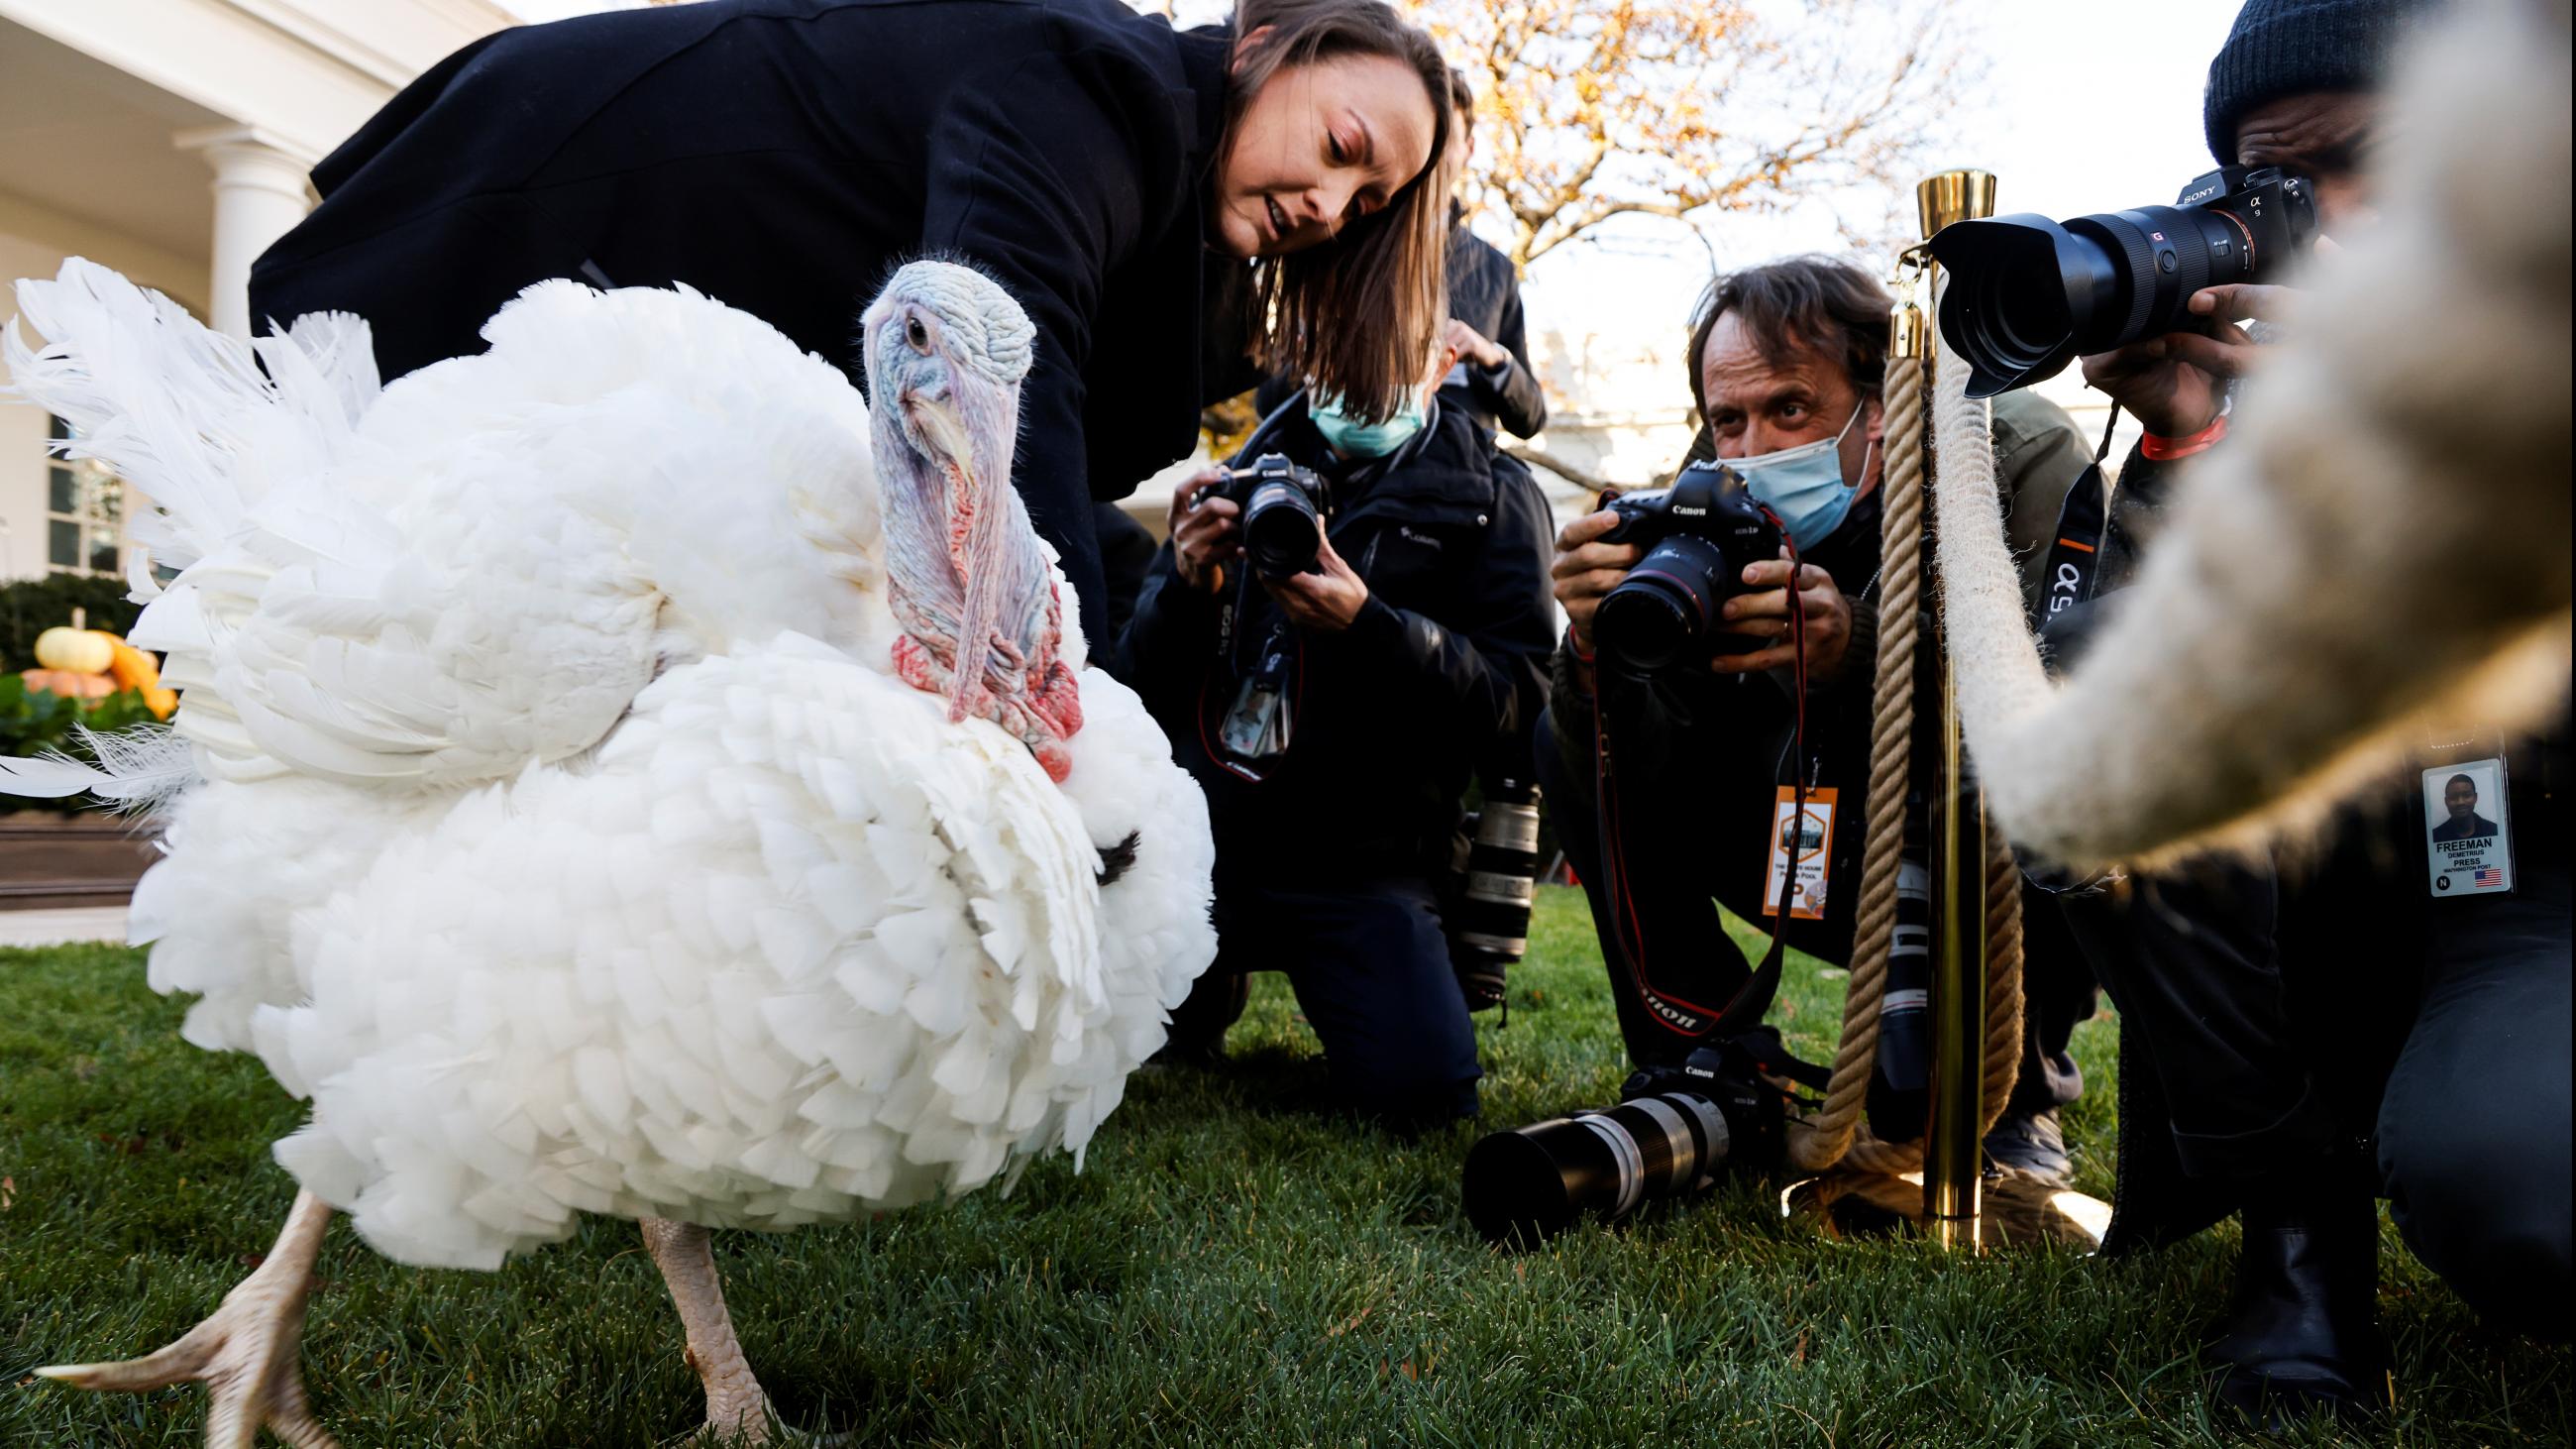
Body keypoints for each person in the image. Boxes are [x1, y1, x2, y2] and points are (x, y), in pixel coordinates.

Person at [245, 0, 1454, 651]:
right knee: (356, 558)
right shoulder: (1093, 84)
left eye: (1366, 205)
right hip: (551, 195)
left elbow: (1080, 454)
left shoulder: (1179, 236)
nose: (1329, 206)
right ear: (1259, 49)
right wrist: (1083, 729)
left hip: (667, 327)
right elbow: (994, 386)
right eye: (1341, 149)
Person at [2053, 0, 2570, 1419]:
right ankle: (2300, 1224)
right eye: (2272, 183)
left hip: (2548, 884)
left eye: (2367, 161)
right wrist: (2184, 438)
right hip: (2385, 891)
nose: (2321, 223)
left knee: (2537, 1184)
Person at [1534, 255, 2101, 1177]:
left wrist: (1860, 650)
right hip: (1793, 829)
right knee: (1564, 729)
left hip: (1950, 849)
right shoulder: (1706, 490)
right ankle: (1702, 1054)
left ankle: (2015, 1094)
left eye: (1791, 409)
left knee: (2054, 782)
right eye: (1729, 420)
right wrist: (1598, 645)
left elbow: (2062, 720)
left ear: (1879, 406)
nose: (1753, 450)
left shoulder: (2014, 447)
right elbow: (1629, 757)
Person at [1118, 327, 1556, 1131]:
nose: (1354, 381)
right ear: (1304, 360)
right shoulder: (1236, 475)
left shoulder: (1493, 493)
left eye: (1385, 358)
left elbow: (1521, 713)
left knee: (1426, 1098)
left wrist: (1374, 630)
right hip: (1206, 847)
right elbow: (1135, 693)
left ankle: (1382, 966)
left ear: (1443, 362)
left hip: (1363, 862)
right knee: (1130, 1042)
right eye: (1335, 357)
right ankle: (1204, 982)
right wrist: (1185, 584)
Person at [1253, 68, 1547, 443]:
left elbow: (1532, 418)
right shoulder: (1340, 242)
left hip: (1459, 480)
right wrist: (1322, 358)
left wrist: (1491, 357)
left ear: (1469, 149)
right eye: (1428, 138)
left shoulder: (1496, 270)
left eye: (1447, 139)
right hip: (1345, 484)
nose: (1434, 155)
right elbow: (1269, 401)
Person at [2430, 773, 2498, 842]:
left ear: (2475, 797)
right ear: (2446, 801)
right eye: (2453, 797)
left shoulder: (2495, 831)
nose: (2460, 802)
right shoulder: (2434, 837)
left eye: (2467, 795)